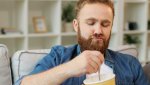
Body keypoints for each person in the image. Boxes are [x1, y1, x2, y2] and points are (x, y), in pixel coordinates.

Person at [15, 0, 150, 85]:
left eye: (105, 24)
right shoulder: (59, 57)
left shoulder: (130, 64)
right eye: (91, 23)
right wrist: (70, 68)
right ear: (76, 25)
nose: (98, 30)